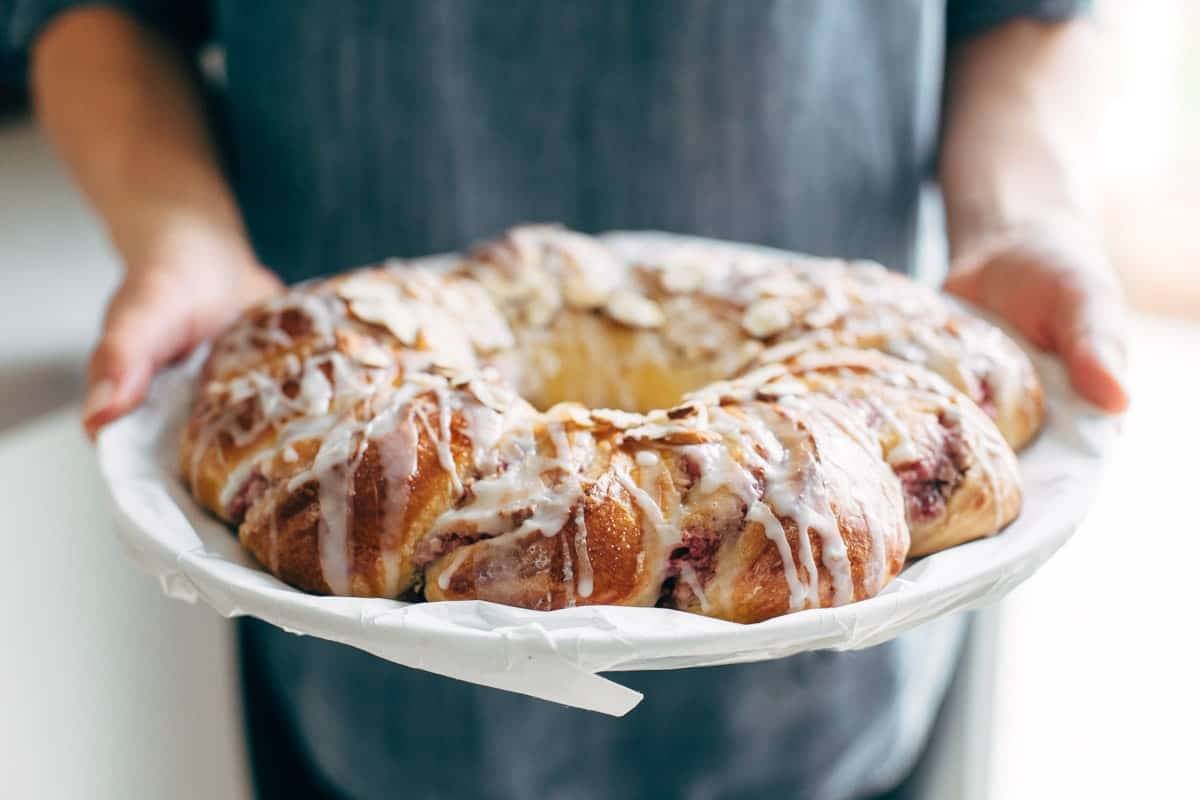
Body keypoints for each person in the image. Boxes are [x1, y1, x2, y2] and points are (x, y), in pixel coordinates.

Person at [10, 2, 1127, 798]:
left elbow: (1029, 9)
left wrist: (1021, 212)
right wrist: (183, 241)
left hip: (837, 562)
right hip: (360, 555)